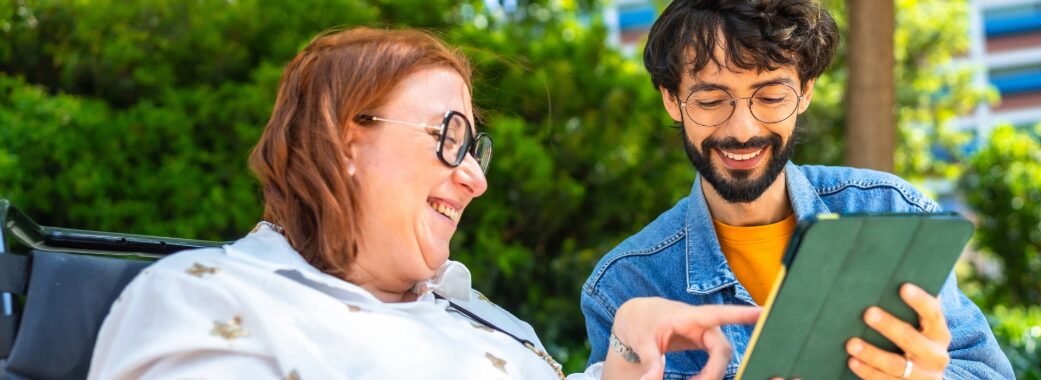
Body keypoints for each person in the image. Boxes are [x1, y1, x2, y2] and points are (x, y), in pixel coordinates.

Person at [88, 27, 760, 379]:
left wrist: (631, 354)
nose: (476, 179)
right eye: (450, 137)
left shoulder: (471, 314)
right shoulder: (209, 301)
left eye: (475, 147)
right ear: (341, 138)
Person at [580, 1, 1014, 379]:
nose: (743, 130)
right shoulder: (625, 286)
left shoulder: (887, 209)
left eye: (770, 96)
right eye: (711, 101)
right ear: (672, 99)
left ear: (805, 91)